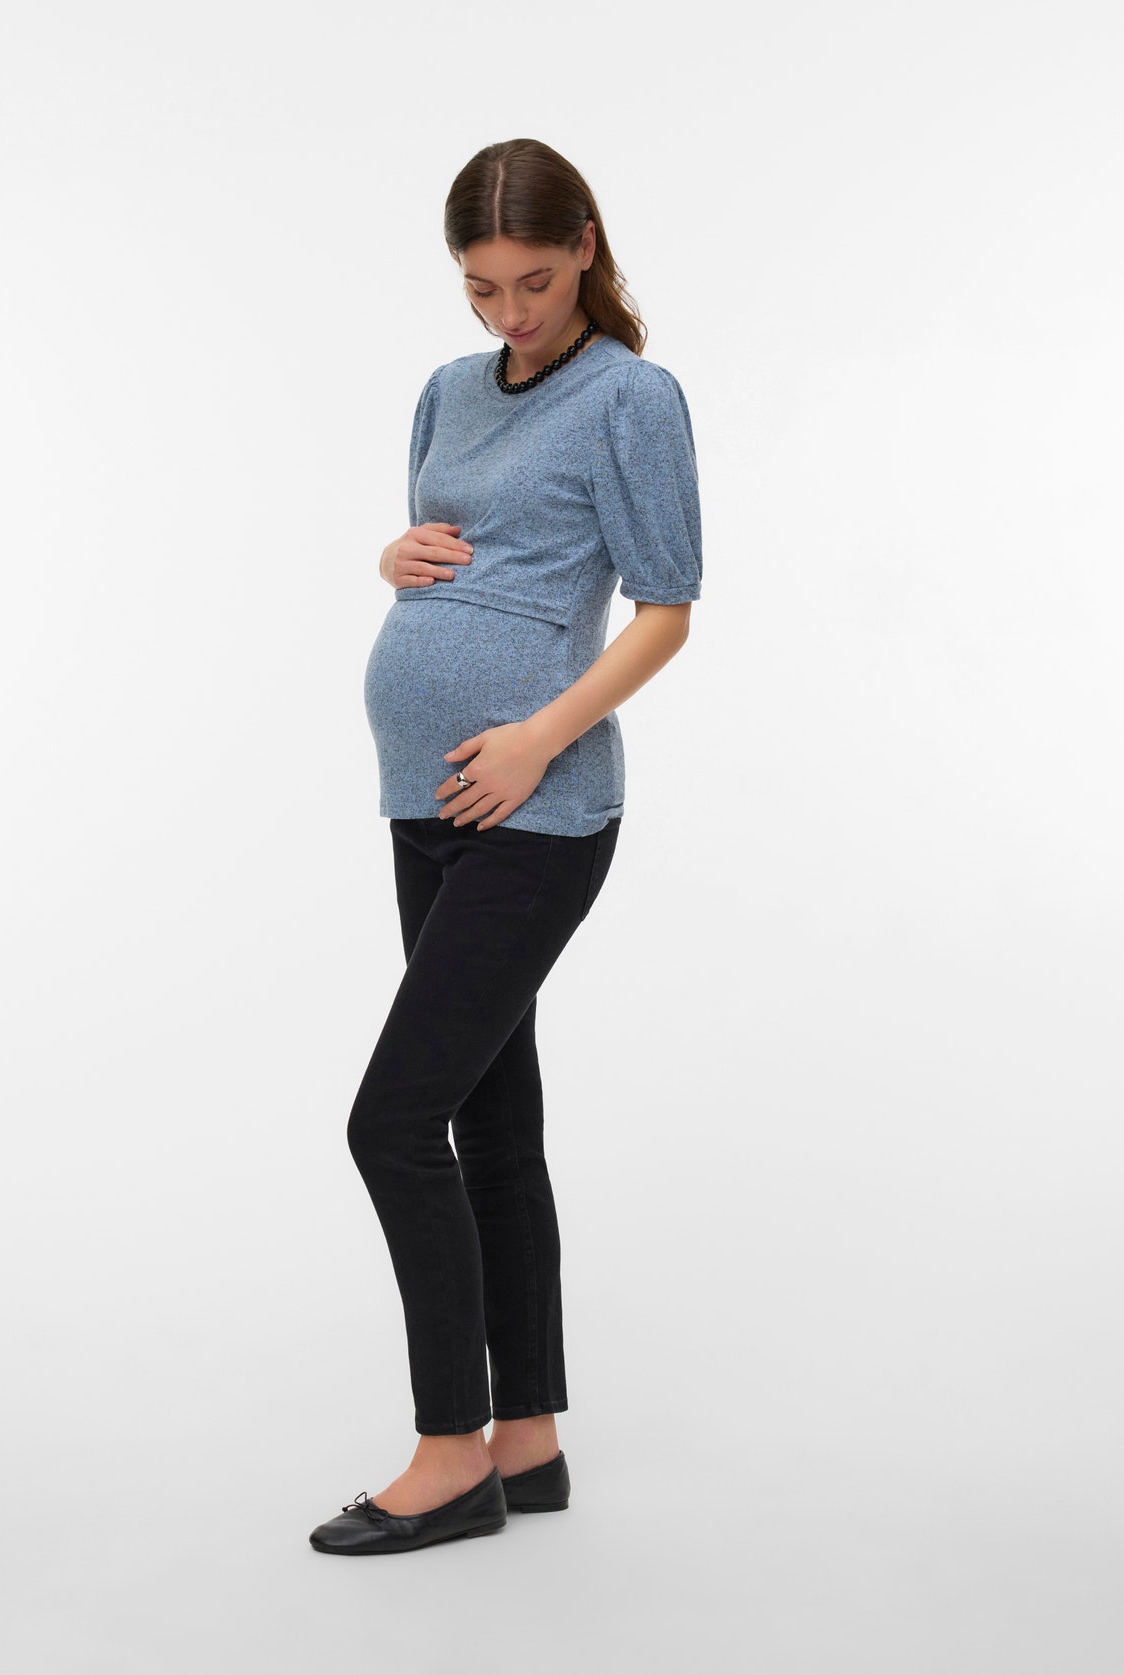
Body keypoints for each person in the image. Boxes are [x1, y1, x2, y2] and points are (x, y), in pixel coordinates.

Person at [309, 137, 702, 1555]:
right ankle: (526, 1443)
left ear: (585, 244)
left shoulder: (633, 396)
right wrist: (392, 558)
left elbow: (667, 606)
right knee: (489, 1121)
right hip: (423, 799)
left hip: (540, 809)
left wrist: (539, 735)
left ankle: (448, 1455)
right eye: (482, 288)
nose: (512, 313)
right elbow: (451, 543)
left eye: (534, 281)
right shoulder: (446, 389)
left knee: (392, 1123)